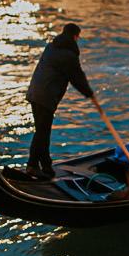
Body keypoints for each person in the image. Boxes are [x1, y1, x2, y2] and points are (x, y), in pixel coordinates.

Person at [26, 23, 95, 179]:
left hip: (35, 93)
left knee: (43, 130)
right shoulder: (68, 55)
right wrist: (90, 94)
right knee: (42, 132)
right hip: (46, 96)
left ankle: (46, 166)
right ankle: (31, 165)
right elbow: (77, 77)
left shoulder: (51, 47)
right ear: (75, 36)